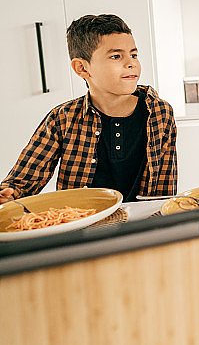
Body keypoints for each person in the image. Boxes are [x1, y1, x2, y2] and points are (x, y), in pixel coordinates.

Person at [0, 14, 177, 203]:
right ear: (82, 68)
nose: (131, 63)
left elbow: (164, 191)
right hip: (80, 223)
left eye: (133, 54)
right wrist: (8, 194)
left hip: (143, 223)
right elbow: (22, 181)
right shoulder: (62, 118)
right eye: (116, 56)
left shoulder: (160, 113)